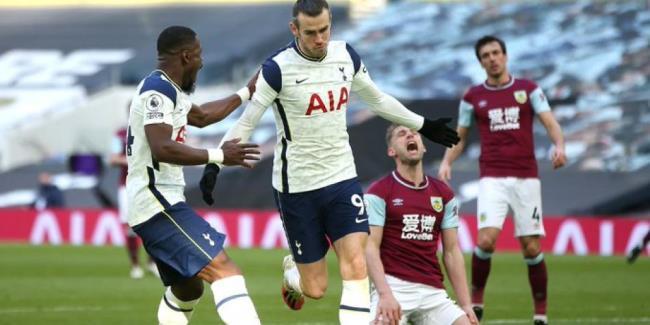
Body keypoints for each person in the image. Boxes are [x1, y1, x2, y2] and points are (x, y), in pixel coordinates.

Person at [199, 1, 459, 323]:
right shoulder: (277, 69)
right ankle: (294, 271)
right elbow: (247, 121)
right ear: (295, 30)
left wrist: (424, 125)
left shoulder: (345, 56)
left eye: (324, 29)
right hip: (297, 187)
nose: (319, 39)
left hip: (341, 178)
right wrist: (215, 163)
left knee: (356, 267)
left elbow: (377, 99)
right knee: (316, 288)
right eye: (311, 33)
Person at [126, 25, 262, 324]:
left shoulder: (167, 88)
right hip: (156, 203)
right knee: (225, 271)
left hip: (160, 201)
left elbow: (201, 117)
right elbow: (161, 147)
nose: (202, 62)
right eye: (199, 55)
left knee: (187, 288)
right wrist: (219, 155)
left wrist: (247, 92)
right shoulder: (157, 92)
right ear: (186, 56)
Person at [438, 35, 566, 325]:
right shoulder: (472, 97)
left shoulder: (528, 89)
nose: (492, 58)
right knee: (486, 240)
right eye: (486, 55)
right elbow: (460, 135)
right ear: (481, 62)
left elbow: (549, 122)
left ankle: (540, 313)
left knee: (531, 248)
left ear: (505, 56)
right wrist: (447, 161)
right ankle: (477, 301)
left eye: (496, 53)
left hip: (526, 177)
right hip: (492, 176)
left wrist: (559, 145)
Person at [365, 124, 478, 325]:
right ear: (391, 151)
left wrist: (466, 304)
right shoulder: (379, 192)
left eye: (414, 133)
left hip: (433, 293)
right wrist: (384, 294)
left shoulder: (443, 193)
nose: (410, 134)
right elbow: (370, 247)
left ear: (423, 147)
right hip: (394, 287)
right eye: (402, 134)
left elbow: (451, 251)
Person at [110, 119, 159, 279]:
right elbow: (112, 159)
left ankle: (152, 263)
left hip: (149, 184)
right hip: (127, 186)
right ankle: (135, 265)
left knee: (154, 224)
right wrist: (132, 161)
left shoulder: (152, 131)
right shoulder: (121, 134)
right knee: (131, 226)